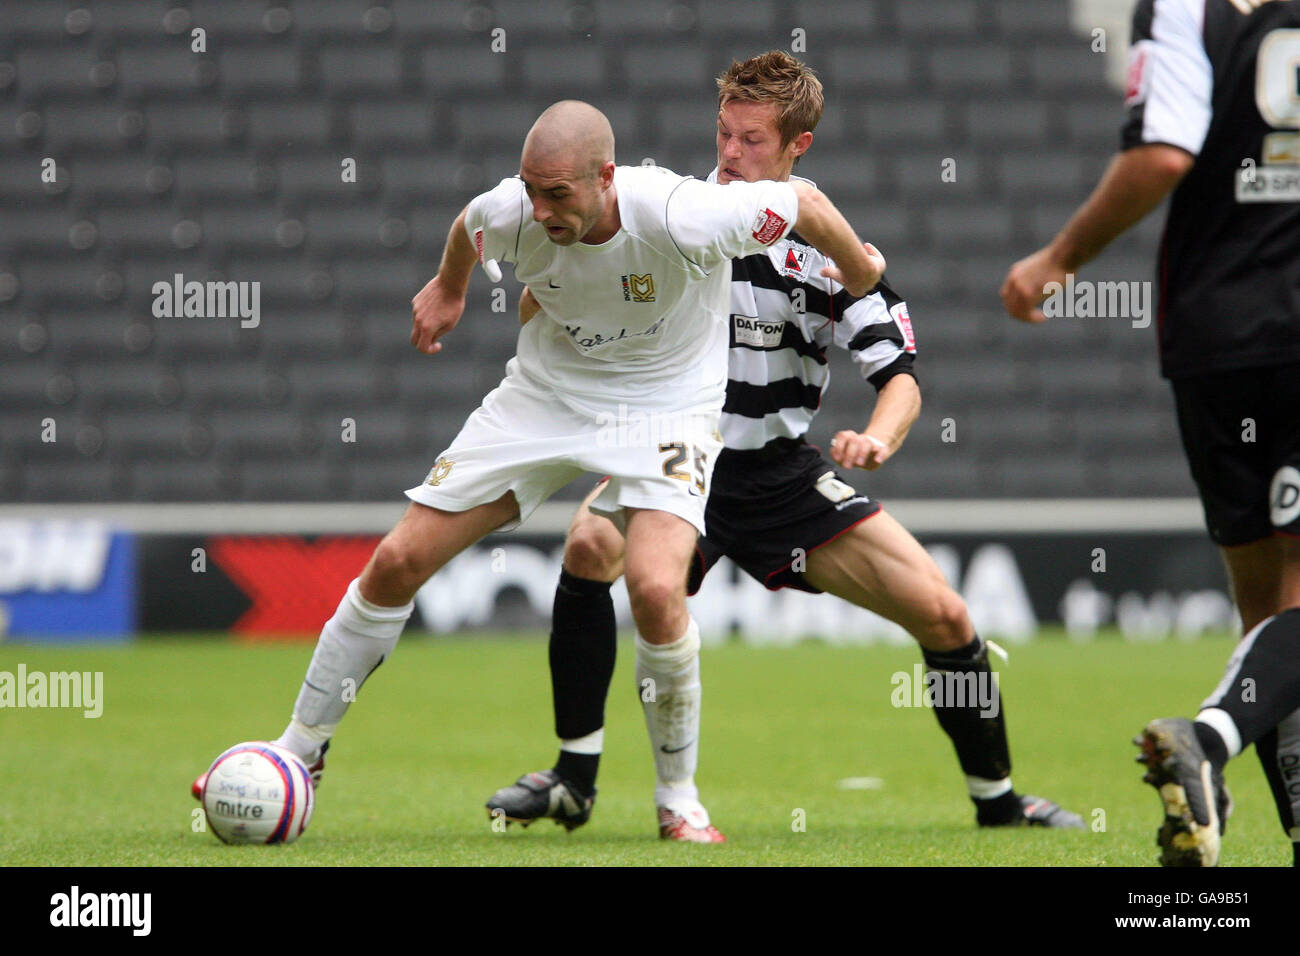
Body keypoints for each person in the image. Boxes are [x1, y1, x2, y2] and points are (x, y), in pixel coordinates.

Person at [191, 100, 885, 817]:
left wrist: (860, 275)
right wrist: (449, 287)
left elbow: (802, 201)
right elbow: (469, 227)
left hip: (669, 407)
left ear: (606, 178)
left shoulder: (686, 213)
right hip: (546, 396)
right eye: (532, 189)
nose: (542, 209)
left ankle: (678, 801)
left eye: (559, 194)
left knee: (654, 589)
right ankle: (300, 750)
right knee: (397, 561)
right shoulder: (512, 210)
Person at [487, 52, 1084, 843]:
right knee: (590, 545)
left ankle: (1000, 802)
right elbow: (556, 281)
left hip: (779, 476)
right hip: (679, 457)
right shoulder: (671, 216)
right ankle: (574, 777)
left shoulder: (830, 256)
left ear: (798, 146)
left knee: (943, 613)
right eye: (724, 135)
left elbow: (901, 376)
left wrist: (877, 438)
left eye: (753, 141)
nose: (731, 155)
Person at [1001, 0, 1300, 866]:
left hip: (1216, 338)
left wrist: (1058, 256)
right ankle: (1208, 741)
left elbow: (1164, 147)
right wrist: (1062, 257)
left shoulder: (1181, 8)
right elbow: (1164, 157)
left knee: (1268, 614)